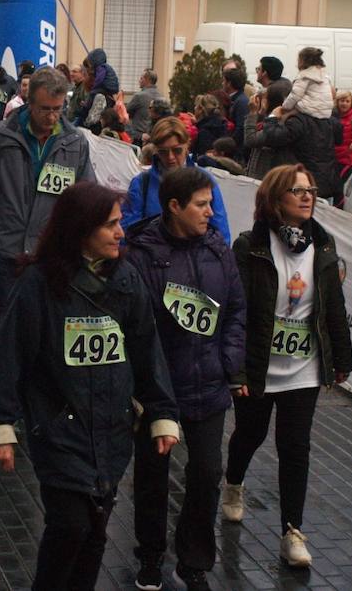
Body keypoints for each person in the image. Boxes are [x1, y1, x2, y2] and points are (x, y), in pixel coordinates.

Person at [0, 181, 180, 591]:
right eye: (110, 225)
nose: (121, 232)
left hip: (112, 430)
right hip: (59, 429)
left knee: (95, 532)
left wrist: (162, 413)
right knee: (70, 526)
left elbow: (147, 350)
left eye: (119, 223)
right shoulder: (38, 283)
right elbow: (9, 355)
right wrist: (0, 425)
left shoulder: (127, 280)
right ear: (81, 229)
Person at [222, 163, 352, 568]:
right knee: (250, 433)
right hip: (260, 364)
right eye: (297, 191)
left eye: (311, 190)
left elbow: (333, 306)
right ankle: (233, 483)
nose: (308, 196)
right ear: (275, 198)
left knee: (295, 447)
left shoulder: (323, 246)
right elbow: (236, 310)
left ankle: (292, 531)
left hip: (303, 367)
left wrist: (342, 358)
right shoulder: (251, 246)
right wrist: (236, 371)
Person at [126, 167, 246, 591]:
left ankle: (193, 561)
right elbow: (135, 323)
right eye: (201, 205)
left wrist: (228, 361)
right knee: (152, 477)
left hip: (209, 384)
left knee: (207, 474)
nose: (211, 213)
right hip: (159, 390)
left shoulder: (218, 249)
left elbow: (236, 310)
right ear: (174, 207)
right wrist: (146, 381)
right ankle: (150, 555)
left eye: (210, 203)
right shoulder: (140, 254)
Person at [0, 67, 95, 342]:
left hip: (50, 255)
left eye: (57, 109)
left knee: (46, 336)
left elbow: (86, 198)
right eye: (44, 109)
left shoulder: (75, 142)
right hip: (5, 253)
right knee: (5, 334)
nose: (51, 117)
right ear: (29, 102)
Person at [121, 116, 231, 244]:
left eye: (177, 150)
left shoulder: (205, 180)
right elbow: (127, 234)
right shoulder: (141, 183)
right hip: (152, 254)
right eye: (163, 152)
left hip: (196, 254)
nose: (171, 157)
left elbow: (220, 234)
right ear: (155, 150)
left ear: (187, 146)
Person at [244, 81, 296, 180]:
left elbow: (250, 139)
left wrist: (253, 113)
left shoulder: (278, 126)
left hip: (264, 179)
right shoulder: (272, 120)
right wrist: (261, 113)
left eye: (265, 98)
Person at [282, 47, 333, 120]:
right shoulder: (324, 75)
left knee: (283, 118)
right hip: (325, 114)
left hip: (308, 111)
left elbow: (294, 96)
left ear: (303, 61)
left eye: (298, 60)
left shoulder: (304, 76)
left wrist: (284, 107)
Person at [126, 69, 163, 145]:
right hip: (155, 138)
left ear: (147, 80)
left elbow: (125, 113)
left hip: (139, 138)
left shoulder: (139, 96)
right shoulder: (162, 97)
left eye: (141, 78)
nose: (139, 80)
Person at [333, 90, 352, 180]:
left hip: (348, 159)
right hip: (335, 157)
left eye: (347, 101)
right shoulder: (333, 116)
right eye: (342, 101)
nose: (344, 103)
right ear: (337, 102)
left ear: (351, 103)